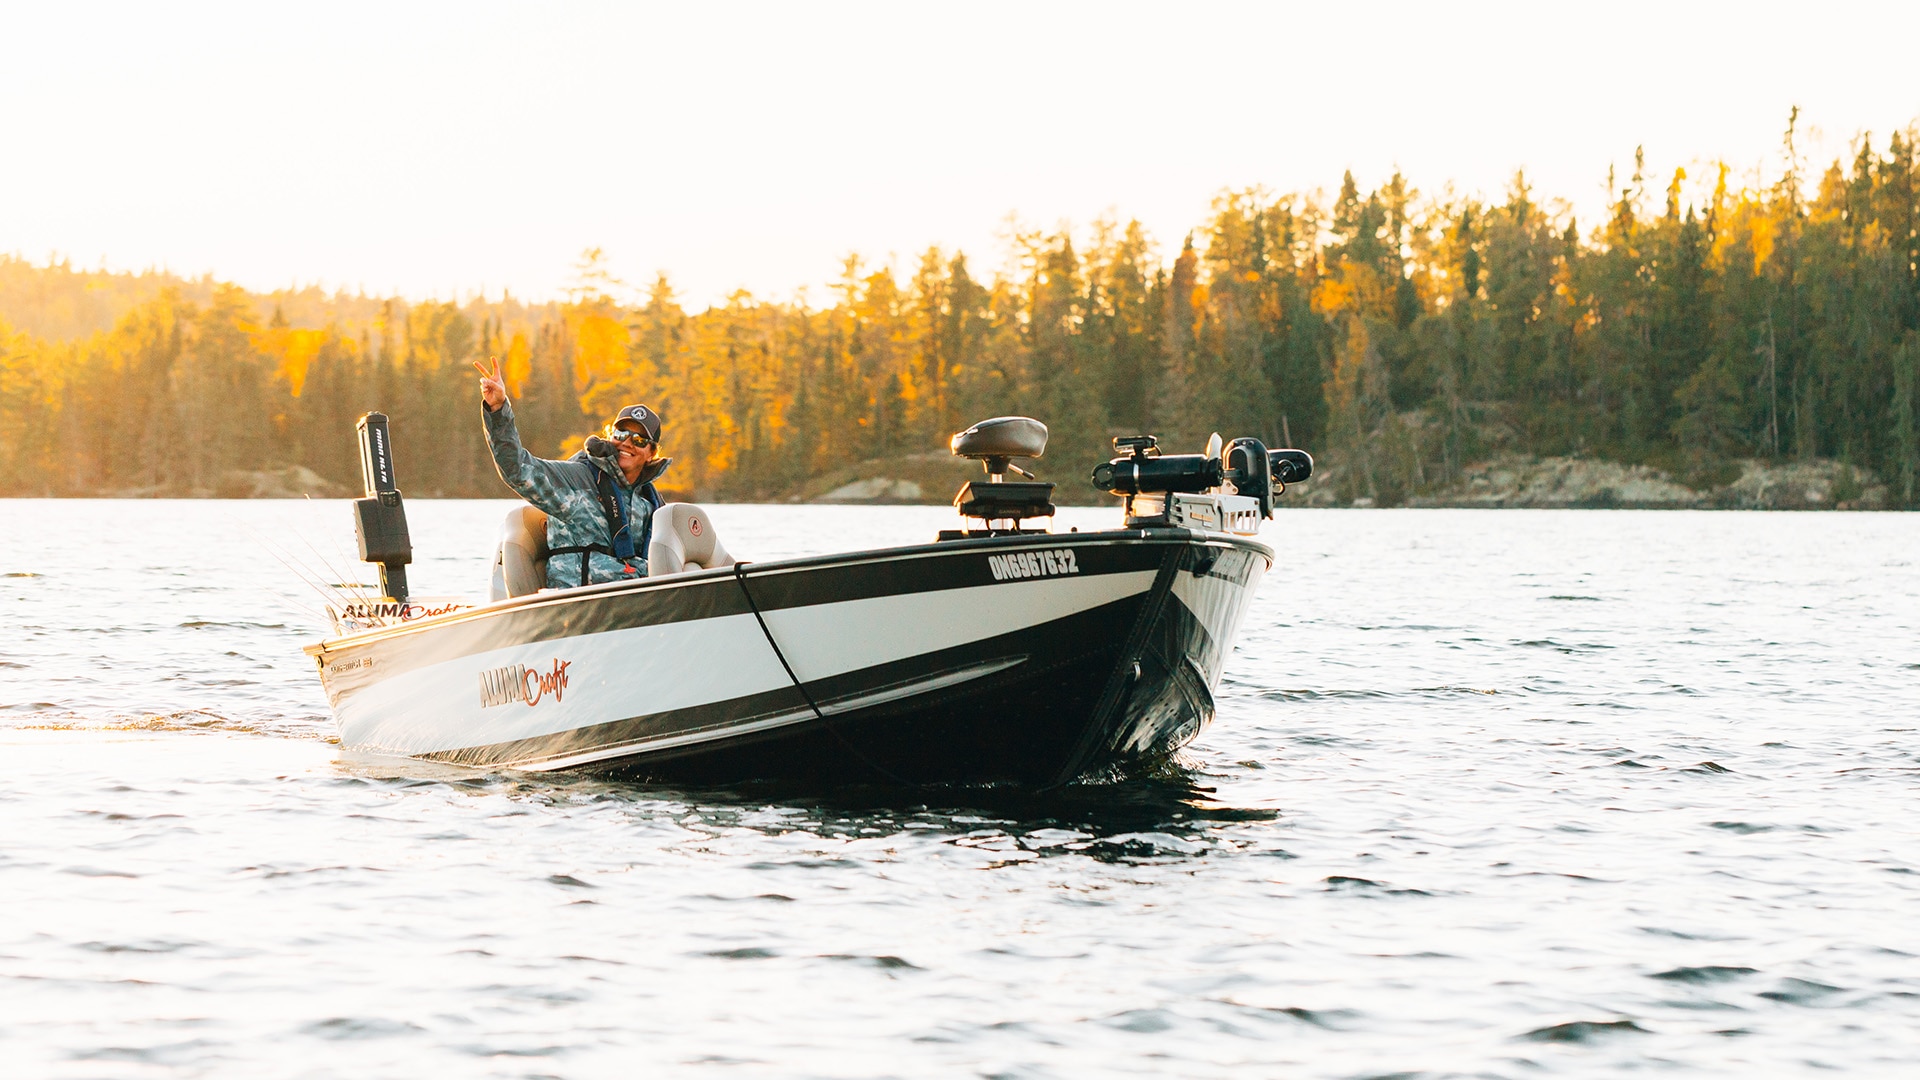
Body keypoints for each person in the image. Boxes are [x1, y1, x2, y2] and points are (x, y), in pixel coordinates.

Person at [473, 356, 671, 588]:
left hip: (638, 599)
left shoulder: (652, 502)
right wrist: (498, 409)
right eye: (620, 435)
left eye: (638, 440)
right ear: (610, 437)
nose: (627, 443)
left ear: (651, 453)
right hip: (577, 604)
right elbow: (516, 469)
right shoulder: (575, 479)